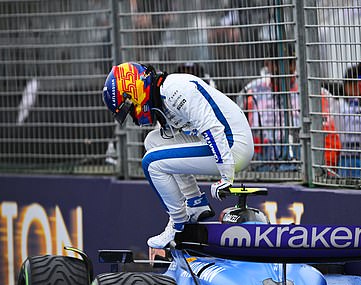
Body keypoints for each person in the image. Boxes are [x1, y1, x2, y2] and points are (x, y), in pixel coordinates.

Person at [102, 62, 254, 251]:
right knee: (153, 142)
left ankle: (178, 223)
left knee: (152, 163)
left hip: (234, 146)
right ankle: (195, 203)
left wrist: (226, 176)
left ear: (133, 92)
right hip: (225, 142)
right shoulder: (163, 96)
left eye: (129, 108)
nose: (132, 115)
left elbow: (212, 127)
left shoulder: (174, 90)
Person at [238, 43, 339, 172]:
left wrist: (323, 171)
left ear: (295, 64)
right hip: (260, 162)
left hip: (302, 161)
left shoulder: (314, 93)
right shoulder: (251, 91)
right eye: (277, 63)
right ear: (267, 63)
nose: (282, 69)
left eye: (288, 63)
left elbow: (329, 136)